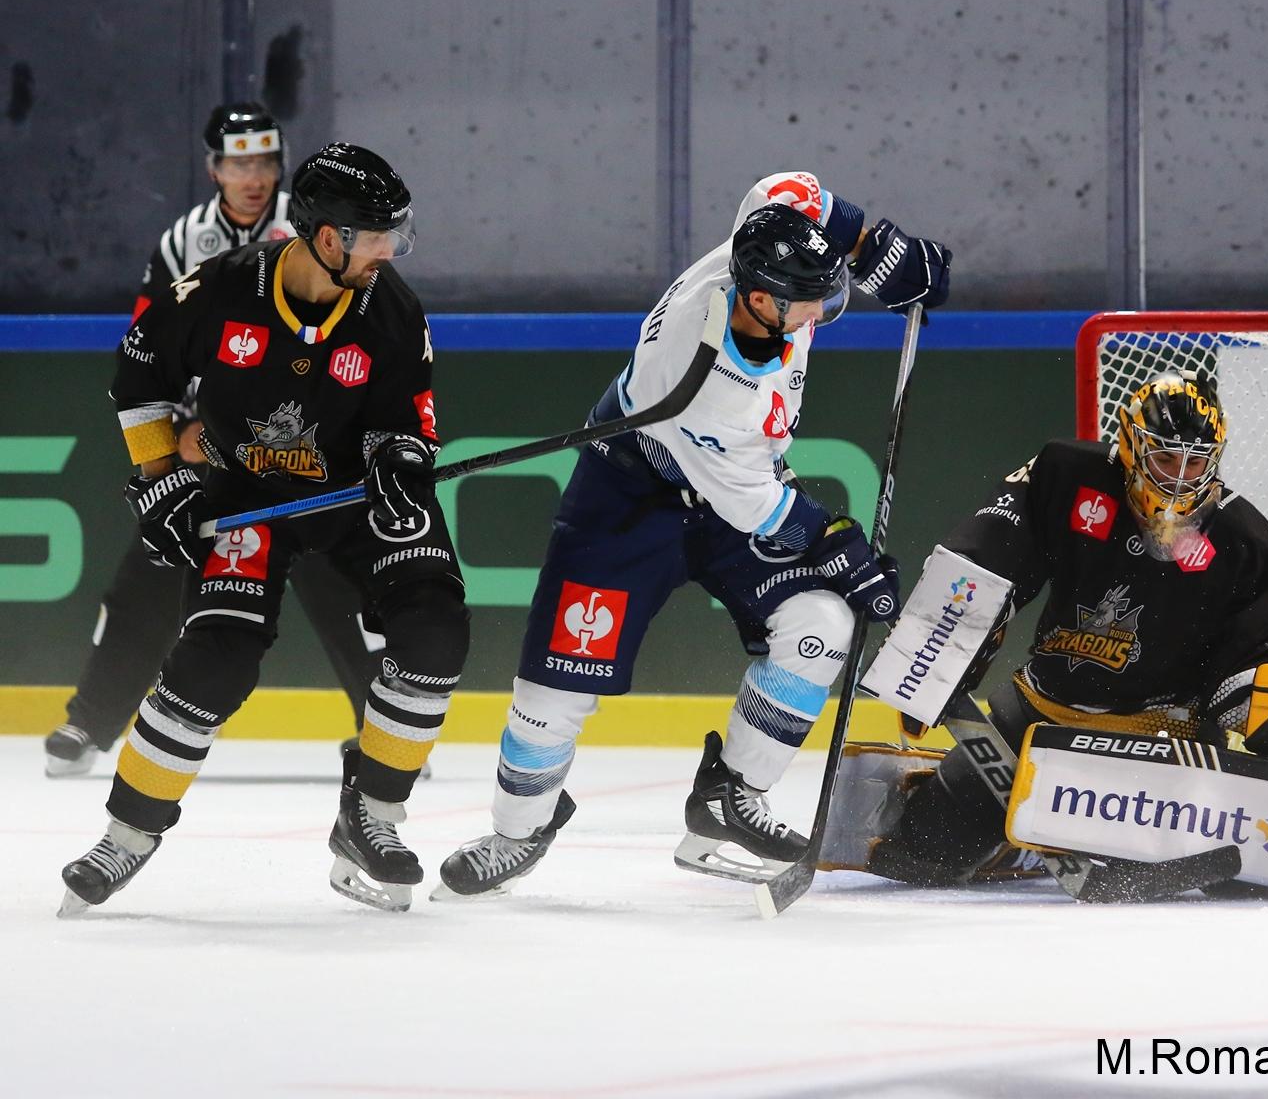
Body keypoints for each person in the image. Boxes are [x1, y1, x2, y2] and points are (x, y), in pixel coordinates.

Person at [434, 172, 950, 897]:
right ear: (764, 299)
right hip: (630, 496)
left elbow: (787, 187)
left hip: (729, 491)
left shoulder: (751, 253)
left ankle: (728, 800)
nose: (821, 311)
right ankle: (516, 832)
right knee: (551, 693)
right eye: (810, 301)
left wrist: (872, 244)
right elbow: (758, 508)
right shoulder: (706, 382)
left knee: (821, 621)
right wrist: (840, 542)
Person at [59, 143, 467, 915]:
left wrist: (401, 463)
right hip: (248, 496)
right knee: (214, 660)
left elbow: (409, 418)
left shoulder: (393, 309)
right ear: (323, 238)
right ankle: (126, 835)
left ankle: (372, 816)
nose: (388, 251)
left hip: (352, 497)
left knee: (435, 628)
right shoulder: (218, 290)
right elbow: (138, 375)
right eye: (373, 235)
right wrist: (162, 477)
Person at [849, 370, 1268, 897]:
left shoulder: (1246, 540)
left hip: (1163, 748)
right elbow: (985, 557)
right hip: (1034, 722)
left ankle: (1043, 832)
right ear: (1129, 445)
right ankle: (1013, 838)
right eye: (1165, 458)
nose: (1179, 479)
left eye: (1195, 464)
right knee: (918, 857)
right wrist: (930, 657)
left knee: (1245, 879)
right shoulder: (1065, 475)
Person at [43, 102, 384, 779]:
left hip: (305, 440)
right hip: (212, 446)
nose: (253, 176)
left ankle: (381, 727)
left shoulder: (319, 229)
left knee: (335, 571)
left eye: (264, 161)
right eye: (238, 162)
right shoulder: (180, 243)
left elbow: (363, 330)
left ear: (280, 164)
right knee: (154, 561)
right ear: (214, 169)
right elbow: (147, 348)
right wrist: (175, 434)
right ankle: (89, 720)